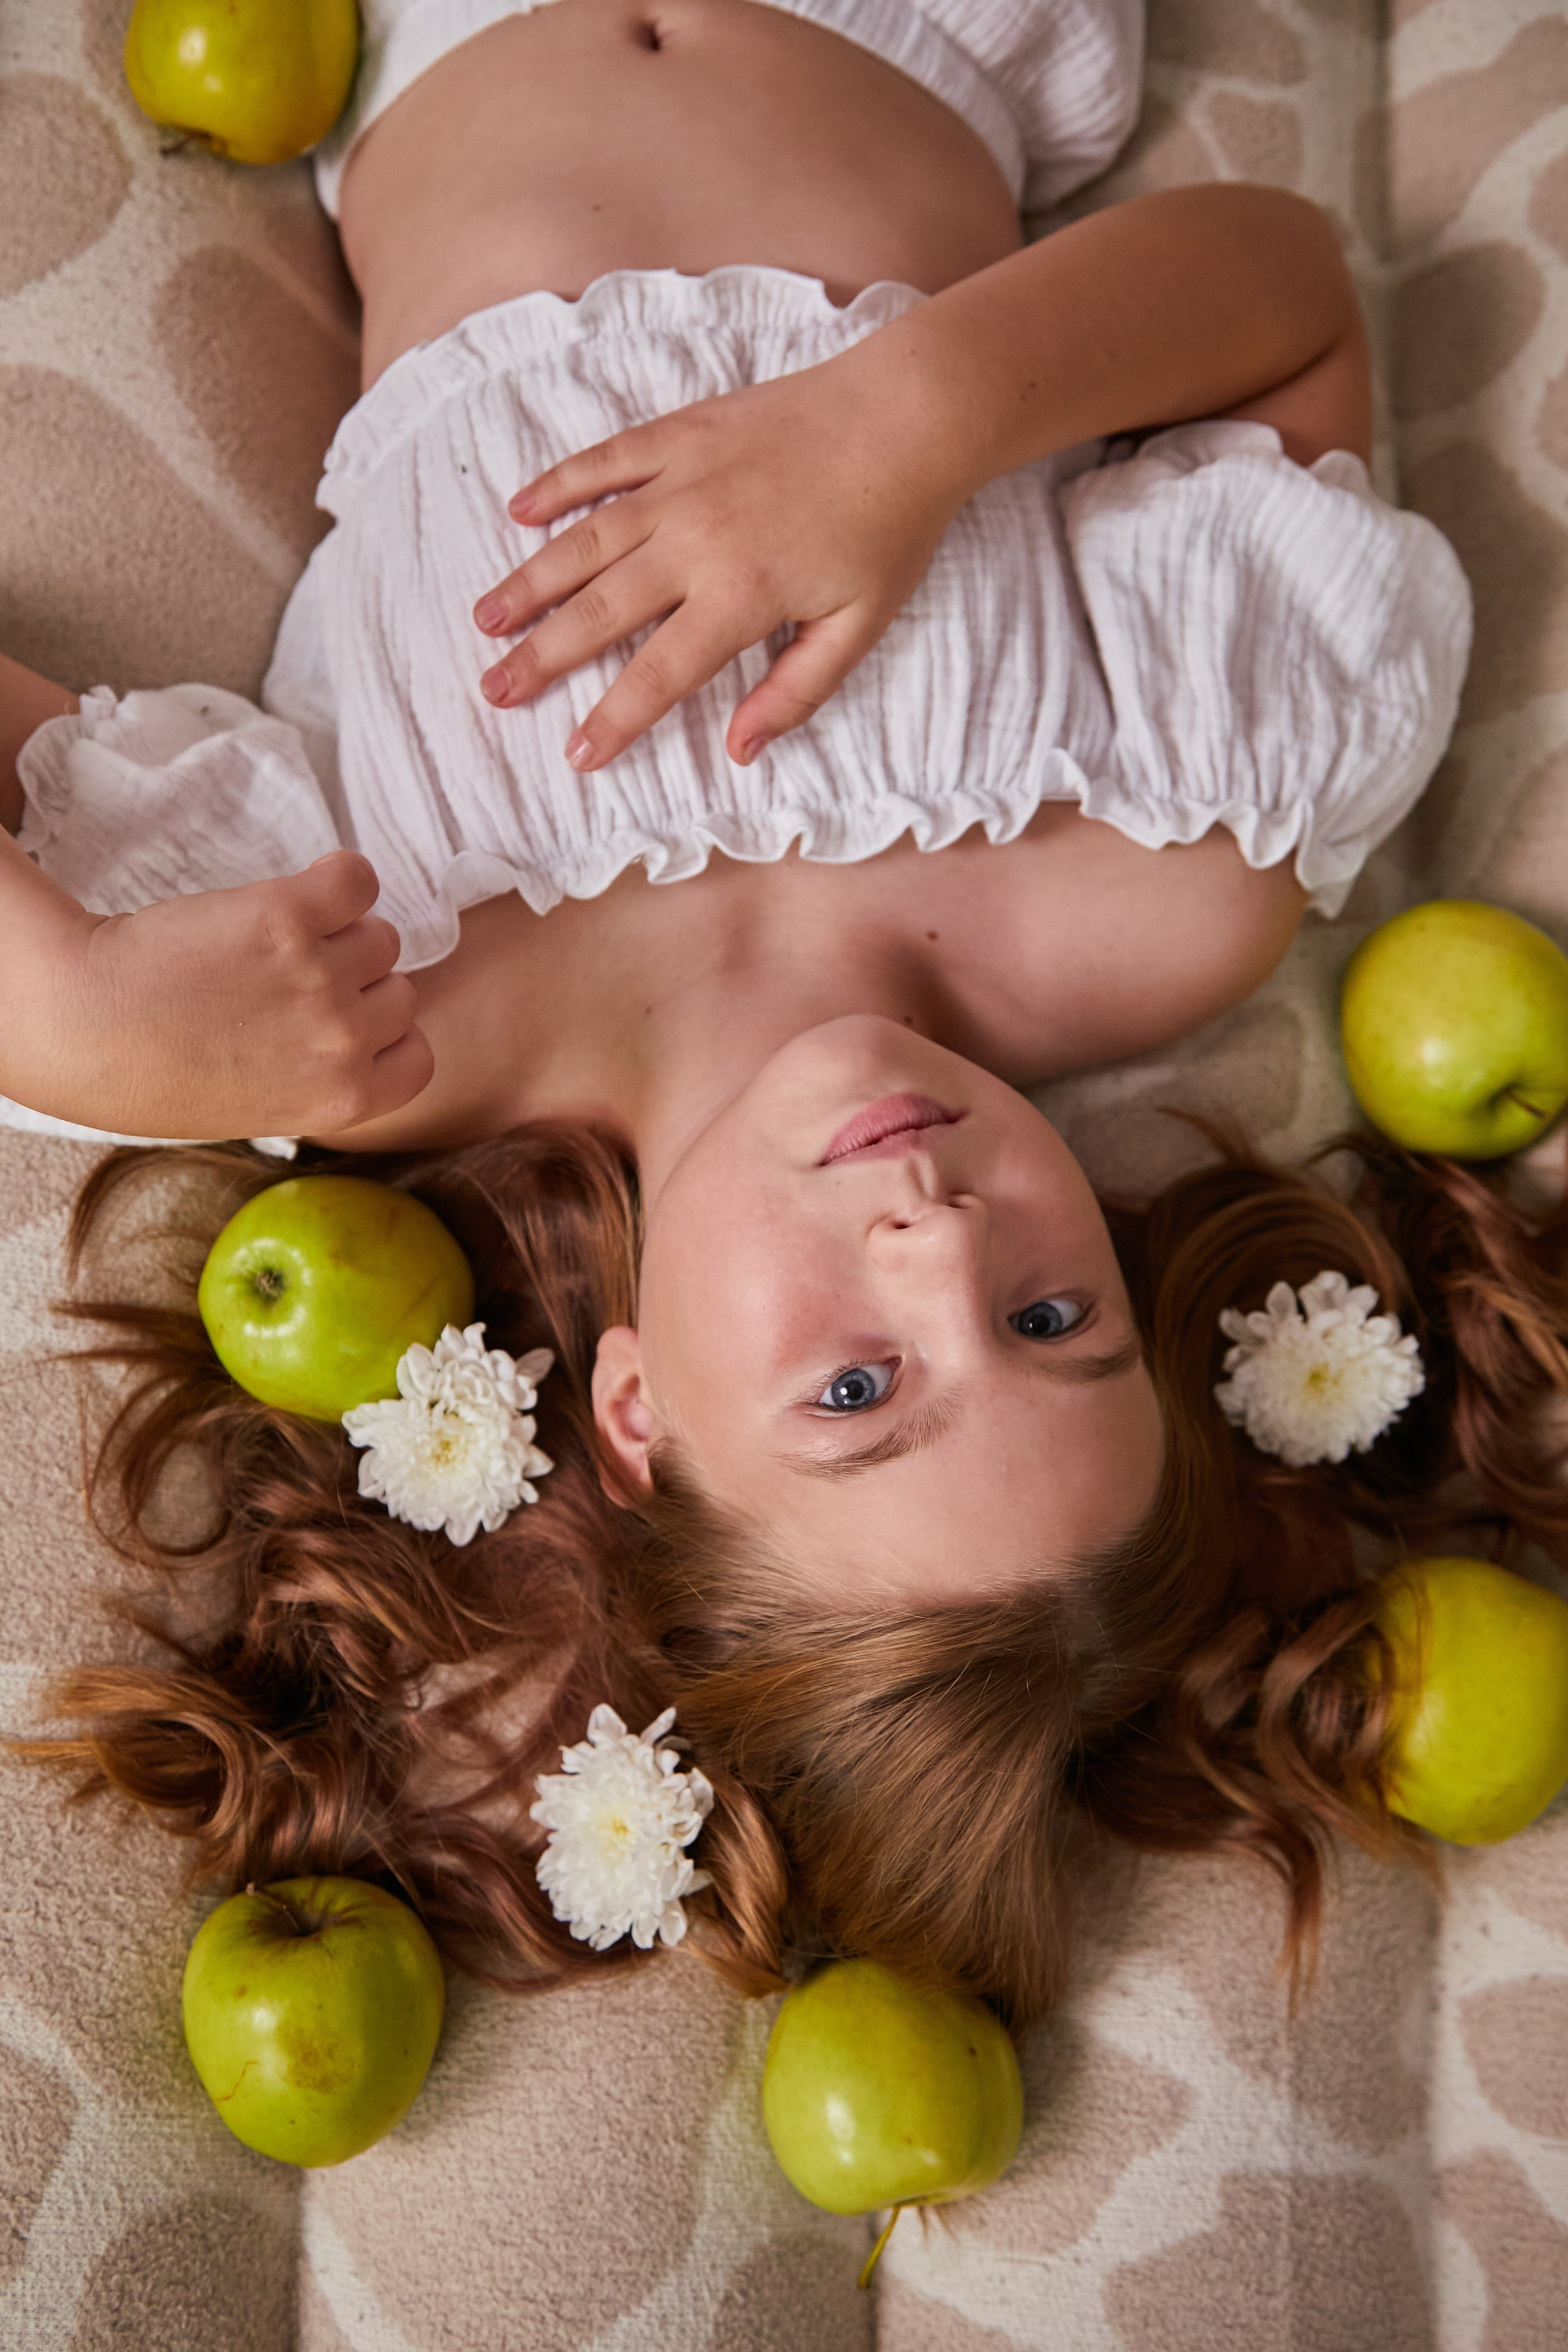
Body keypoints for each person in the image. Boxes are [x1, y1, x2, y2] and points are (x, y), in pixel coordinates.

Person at [14, 0, 1538, 2030]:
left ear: (638, 1414)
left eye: (856, 1390)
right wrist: (904, 422)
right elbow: (1283, 291)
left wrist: (59, 1009)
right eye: (1050, 1323)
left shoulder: (373, 1020)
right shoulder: (1169, 865)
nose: (939, 1244)